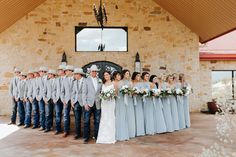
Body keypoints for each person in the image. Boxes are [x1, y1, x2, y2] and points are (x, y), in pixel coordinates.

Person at [82, 64, 102, 144]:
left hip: (97, 103)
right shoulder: (86, 80)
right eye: (93, 71)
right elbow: (84, 93)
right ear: (90, 72)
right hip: (88, 103)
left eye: (95, 71)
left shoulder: (100, 80)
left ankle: (96, 136)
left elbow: (101, 91)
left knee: (97, 120)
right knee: (86, 121)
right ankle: (86, 137)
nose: (94, 72)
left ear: (97, 72)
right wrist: (85, 103)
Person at [96, 71, 116, 144]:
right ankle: (103, 136)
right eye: (104, 75)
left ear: (110, 75)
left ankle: (110, 136)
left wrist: (111, 95)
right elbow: (101, 93)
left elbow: (116, 93)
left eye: (107, 74)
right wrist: (102, 96)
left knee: (110, 117)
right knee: (104, 118)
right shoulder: (103, 84)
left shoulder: (113, 83)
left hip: (111, 102)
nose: (106, 76)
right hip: (104, 103)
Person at [113, 71, 129, 141]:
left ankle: (123, 134)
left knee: (123, 116)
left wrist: (126, 91)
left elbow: (126, 91)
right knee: (116, 116)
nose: (119, 77)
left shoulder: (122, 83)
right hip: (116, 101)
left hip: (122, 101)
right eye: (118, 75)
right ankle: (116, 134)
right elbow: (114, 93)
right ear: (115, 76)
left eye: (120, 75)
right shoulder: (113, 83)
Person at [71, 68, 85, 140]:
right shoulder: (74, 82)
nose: (74, 75)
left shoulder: (85, 81)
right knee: (77, 119)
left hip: (83, 102)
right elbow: (73, 92)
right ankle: (77, 133)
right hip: (76, 102)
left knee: (85, 119)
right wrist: (72, 101)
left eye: (75, 74)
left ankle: (85, 134)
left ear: (79, 74)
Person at [121, 69, 136, 138]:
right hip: (123, 100)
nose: (128, 75)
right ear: (123, 74)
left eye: (128, 73)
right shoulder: (121, 82)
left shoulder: (130, 82)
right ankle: (124, 130)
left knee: (130, 114)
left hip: (129, 99)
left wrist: (131, 92)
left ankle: (130, 132)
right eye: (126, 73)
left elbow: (133, 91)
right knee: (124, 114)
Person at [61, 65, 74, 137]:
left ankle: (77, 132)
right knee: (65, 115)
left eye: (66, 70)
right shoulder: (64, 79)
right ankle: (66, 131)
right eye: (65, 71)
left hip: (74, 100)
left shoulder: (75, 78)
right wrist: (63, 99)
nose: (65, 72)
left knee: (77, 116)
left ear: (70, 71)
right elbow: (62, 91)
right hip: (66, 100)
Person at [132, 72, 145, 136]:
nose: (138, 77)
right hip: (132, 100)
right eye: (137, 76)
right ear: (134, 76)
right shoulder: (131, 83)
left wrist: (141, 92)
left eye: (139, 76)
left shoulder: (141, 83)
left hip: (139, 100)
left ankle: (140, 131)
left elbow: (143, 91)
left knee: (139, 114)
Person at [54, 65, 66, 134]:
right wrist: (55, 97)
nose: (58, 71)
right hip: (58, 99)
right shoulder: (57, 79)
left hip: (65, 99)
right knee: (57, 114)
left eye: (59, 70)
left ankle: (66, 130)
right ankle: (58, 129)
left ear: (63, 71)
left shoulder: (67, 78)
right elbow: (54, 90)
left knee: (65, 115)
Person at [36, 66, 48, 131]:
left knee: (48, 112)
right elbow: (37, 88)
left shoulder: (48, 78)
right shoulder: (38, 79)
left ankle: (48, 126)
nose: (39, 73)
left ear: (44, 72)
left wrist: (47, 98)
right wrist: (37, 96)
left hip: (47, 98)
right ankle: (42, 125)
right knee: (42, 112)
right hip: (40, 98)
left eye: (40, 71)